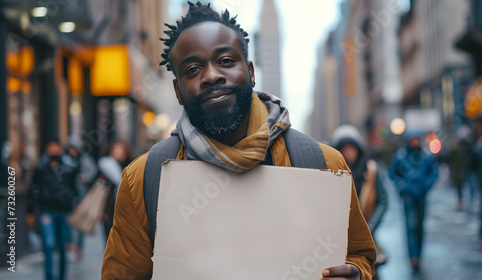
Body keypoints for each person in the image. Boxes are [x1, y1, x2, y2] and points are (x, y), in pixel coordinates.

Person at [101, 2, 376, 279]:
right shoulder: (144, 179)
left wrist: (356, 272)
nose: (211, 76)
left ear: (252, 72)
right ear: (177, 91)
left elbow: (359, 254)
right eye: (193, 69)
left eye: (225, 61)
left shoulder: (324, 163)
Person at [331, 125, 388, 279]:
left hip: (366, 234)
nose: (349, 152)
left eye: (352, 148)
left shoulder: (371, 170)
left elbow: (383, 201)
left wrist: (369, 227)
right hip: (339, 239)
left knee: (369, 271)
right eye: (344, 148)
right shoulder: (332, 172)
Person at [26, 139, 78, 280]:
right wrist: (30, 211)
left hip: (64, 210)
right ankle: (49, 277)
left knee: (62, 246)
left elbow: (74, 187)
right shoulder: (40, 168)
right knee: (49, 244)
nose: (54, 151)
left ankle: (62, 276)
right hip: (46, 210)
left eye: (56, 148)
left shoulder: (67, 167)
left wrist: (73, 202)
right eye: (51, 148)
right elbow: (33, 190)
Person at [388, 130, 438, 273]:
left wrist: (426, 186)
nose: (415, 143)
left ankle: (419, 255)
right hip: (408, 197)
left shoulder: (426, 156)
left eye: (417, 140)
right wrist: (402, 186)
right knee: (410, 226)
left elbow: (434, 173)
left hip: (421, 196)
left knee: (420, 226)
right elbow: (392, 173)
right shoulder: (401, 156)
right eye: (412, 140)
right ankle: (413, 257)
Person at [62, 136, 98, 260]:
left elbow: (93, 171)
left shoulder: (84, 159)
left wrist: (84, 178)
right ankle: (70, 245)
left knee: (80, 221)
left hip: (81, 193)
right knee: (68, 220)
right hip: (68, 195)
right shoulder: (65, 160)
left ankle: (79, 248)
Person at [97, 140, 133, 241]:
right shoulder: (105, 167)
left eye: (120, 150)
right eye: (115, 150)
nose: (118, 152)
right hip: (109, 208)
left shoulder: (130, 166)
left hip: (127, 207)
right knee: (109, 236)